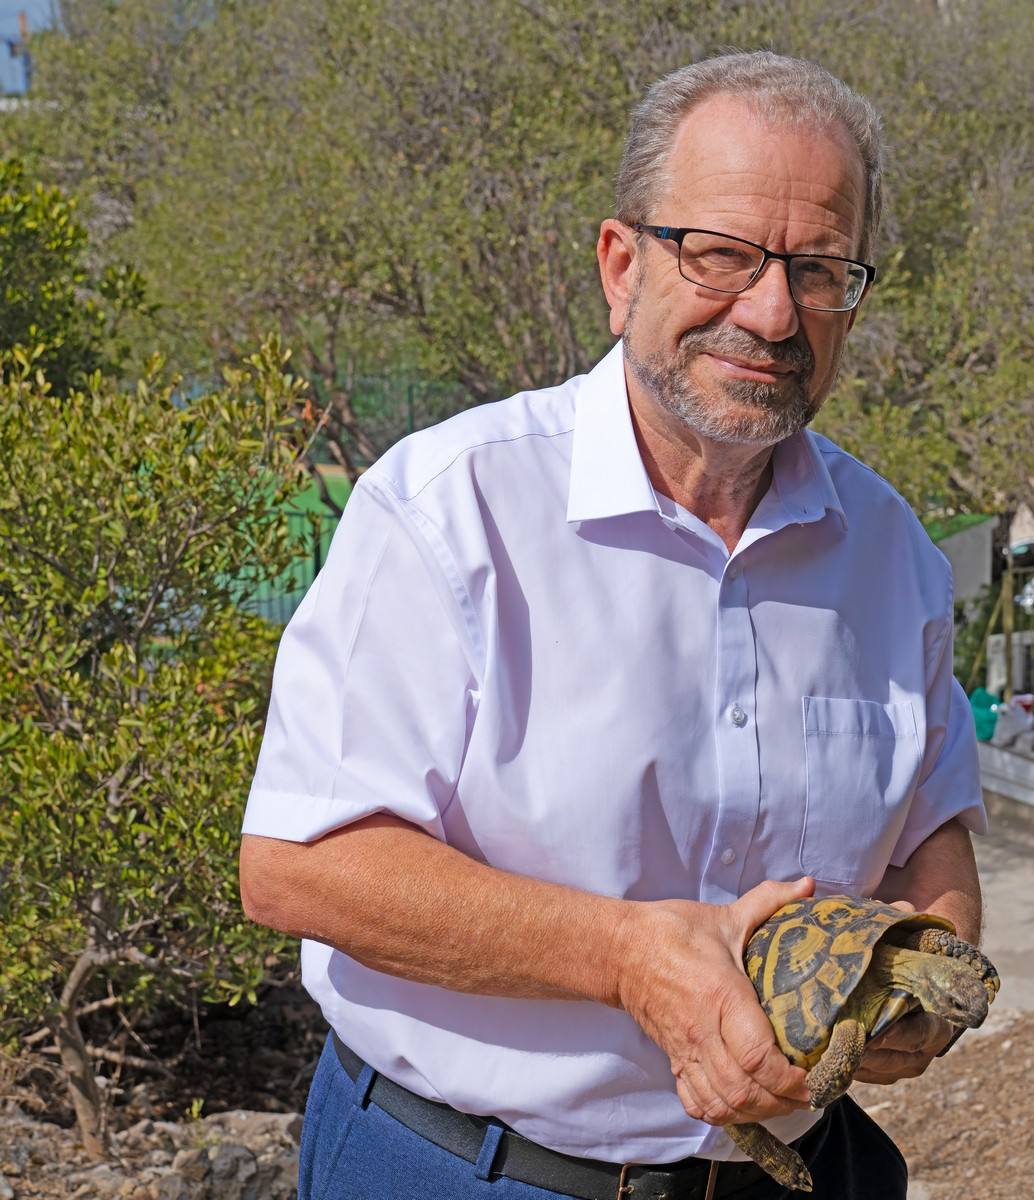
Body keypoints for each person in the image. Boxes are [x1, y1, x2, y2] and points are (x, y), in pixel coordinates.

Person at [238, 51, 987, 1200]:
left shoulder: (890, 553)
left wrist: (916, 981)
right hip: (463, 1170)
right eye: (723, 255)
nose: (772, 310)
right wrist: (629, 958)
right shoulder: (449, 510)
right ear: (620, 264)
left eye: (818, 269)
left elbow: (930, 834)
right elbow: (298, 866)